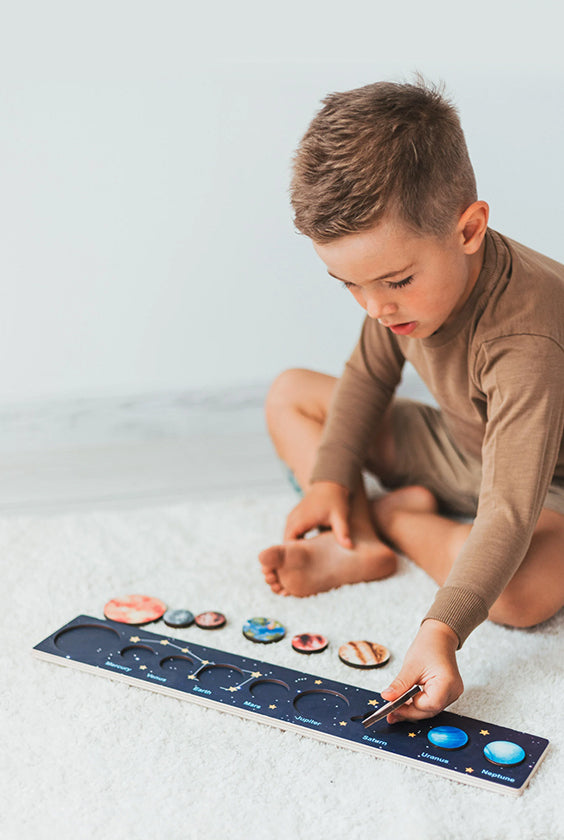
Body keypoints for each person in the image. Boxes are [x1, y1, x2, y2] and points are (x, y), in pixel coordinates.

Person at [258, 78, 564, 723]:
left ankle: (392, 520)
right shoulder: (391, 296)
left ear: (470, 229)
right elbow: (368, 380)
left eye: (396, 281)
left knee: (520, 596)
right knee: (292, 394)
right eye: (350, 285)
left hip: (542, 488)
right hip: (458, 445)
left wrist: (442, 629)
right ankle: (356, 538)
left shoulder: (527, 338)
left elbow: (509, 508)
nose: (375, 307)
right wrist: (327, 480)